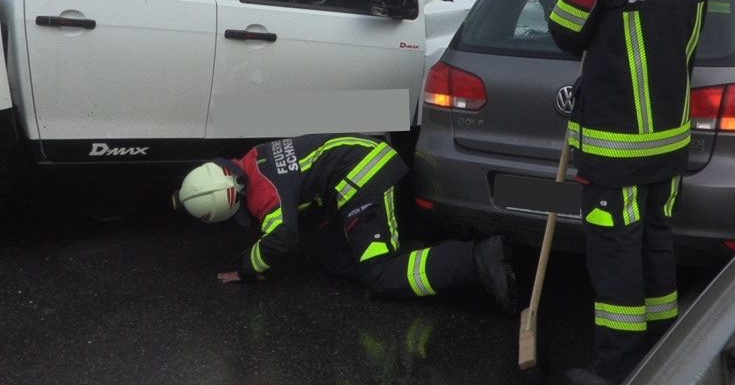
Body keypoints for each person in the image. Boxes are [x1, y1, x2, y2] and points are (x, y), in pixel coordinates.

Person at [546, 0, 708, 385]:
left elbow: (567, 34)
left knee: (615, 253)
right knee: (655, 238)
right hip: (671, 136)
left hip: (616, 142)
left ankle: (616, 368)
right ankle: (663, 340)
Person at [173, 133, 517, 314]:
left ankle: (479, 261)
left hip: (366, 176)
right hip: (357, 166)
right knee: (336, 259)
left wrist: (247, 267)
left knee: (377, 276)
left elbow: (281, 237)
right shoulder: (253, 158)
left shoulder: (266, 194)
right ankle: (418, 253)